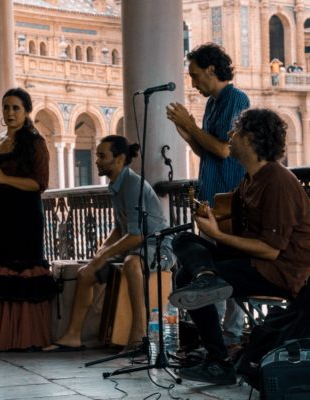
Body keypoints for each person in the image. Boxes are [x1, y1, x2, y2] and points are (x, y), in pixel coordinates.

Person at [169, 108, 310, 385]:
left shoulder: (278, 182)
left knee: (186, 277)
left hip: (280, 271)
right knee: (182, 241)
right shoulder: (250, 179)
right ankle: (206, 277)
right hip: (254, 259)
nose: (230, 136)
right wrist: (212, 223)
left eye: (236, 132)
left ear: (251, 139)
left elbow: (271, 250)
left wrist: (216, 235)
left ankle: (218, 361)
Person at [44, 135, 176, 352]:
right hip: (136, 246)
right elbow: (119, 229)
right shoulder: (117, 184)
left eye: (102, 156)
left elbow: (137, 235)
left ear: (120, 158)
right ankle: (73, 336)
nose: (97, 160)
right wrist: (100, 252)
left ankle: (138, 335)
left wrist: (104, 255)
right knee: (87, 273)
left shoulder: (133, 184)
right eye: (97, 155)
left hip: (158, 245)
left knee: (133, 264)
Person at [166, 43, 250, 346]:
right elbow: (206, 151)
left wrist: (191, 125)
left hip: (230, 199)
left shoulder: (236, 98)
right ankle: (215, 338)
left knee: (227, 267)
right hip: (211, 195)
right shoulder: (213, 103)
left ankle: (232, 336)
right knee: (208, 265)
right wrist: (187, 133)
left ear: (212, 70)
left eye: (196, 75)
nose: (193, 82)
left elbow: (224, 150)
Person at [0, 87, 56, 351]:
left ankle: (27, 336)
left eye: (16, 108)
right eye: (6, 107)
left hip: (26, 215)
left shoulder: (34, 141)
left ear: (26, 111)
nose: (10, 113)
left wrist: (3, 179)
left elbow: (39, 183)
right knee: (1, 266)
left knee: (24, 268)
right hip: (0, 214)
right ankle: (1, 337)